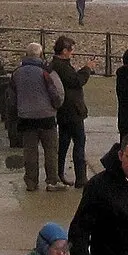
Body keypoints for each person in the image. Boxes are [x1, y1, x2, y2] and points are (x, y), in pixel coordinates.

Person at [13, 41, 66, 191]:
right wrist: (56, 106)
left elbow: (11, 95)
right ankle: (52, 181)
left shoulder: (17, 72)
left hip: (26, 117)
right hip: (46, 116)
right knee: (50, 150)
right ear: (41, 55)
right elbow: (56, 92)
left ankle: (31, 181)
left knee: (30, 151)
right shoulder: (46, 72)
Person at [50, 36, 93, 188]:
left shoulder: (56, 65)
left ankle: (59, 173)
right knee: (79, 143)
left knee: (64, 143)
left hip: (64, 111)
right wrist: (87, 68)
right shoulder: (61, 66)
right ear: (64, 51)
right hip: (72, 111)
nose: (72, 53)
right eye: (71, 50)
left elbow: (73, 79)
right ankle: (80, 177)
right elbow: (76, 81)